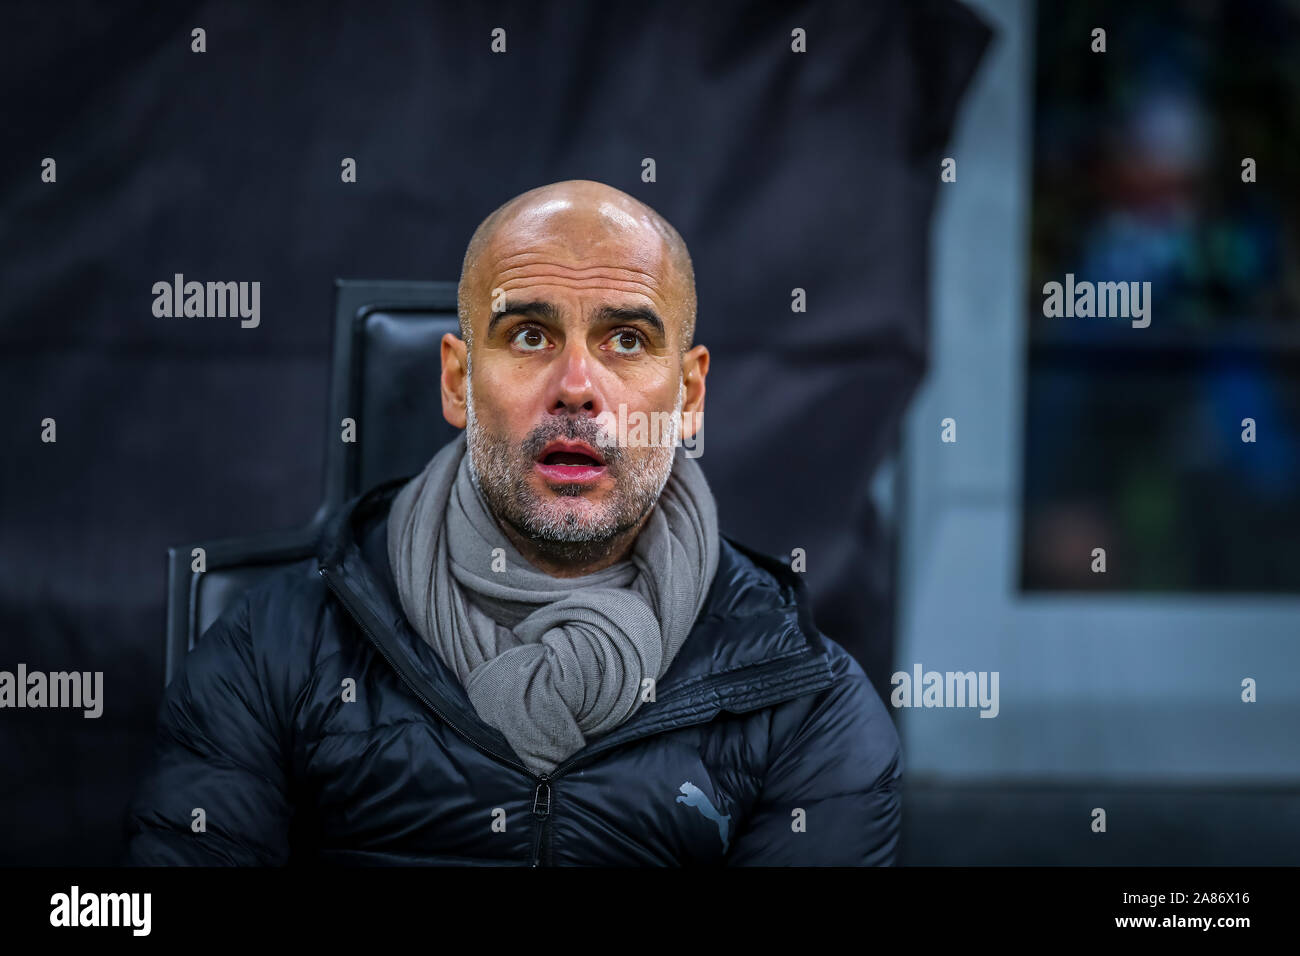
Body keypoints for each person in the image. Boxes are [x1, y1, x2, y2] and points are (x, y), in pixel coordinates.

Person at [123, 179, 902, 865]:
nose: (575, 387)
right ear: (459, 381)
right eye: (529, 335)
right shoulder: (272, 653)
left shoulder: (806, 702)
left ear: (690, 397)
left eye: (626, 340)